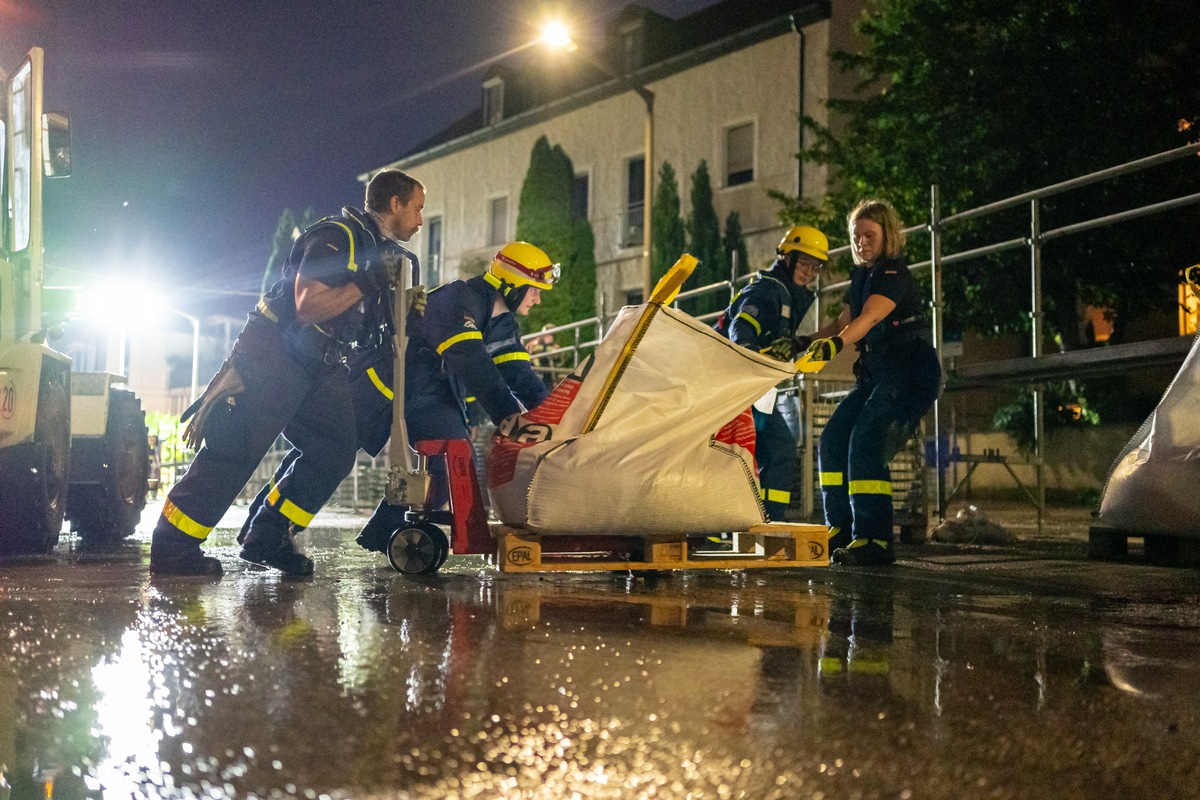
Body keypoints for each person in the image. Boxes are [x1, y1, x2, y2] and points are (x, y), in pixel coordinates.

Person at [149, 169, 426, 577]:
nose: (420, 220)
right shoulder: (338, 236)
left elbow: (368, 328)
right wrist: (368, 282)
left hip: (324, 362)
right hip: (278, 351)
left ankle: (267, 535)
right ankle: (172, 547)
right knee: (237, 446)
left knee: (334, 449)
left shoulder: (377, 253)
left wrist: (407, 316)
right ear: (395, 204)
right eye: (417, 209)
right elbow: (307, 306)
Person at [352, 240, 558, 553]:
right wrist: (509, 416)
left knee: (455, 457)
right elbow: (472, 362)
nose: (538, 299)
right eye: (534, 290)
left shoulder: (503, 322)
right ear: (514, 285)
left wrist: (557, 418)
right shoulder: (460, 298)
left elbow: (520, 376)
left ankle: (385, 534)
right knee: (332, 456)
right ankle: (270, 528)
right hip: (383, 388)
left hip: (429, 393)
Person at [801, 199, 941, 566]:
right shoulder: (863, 277)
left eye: (870, 235)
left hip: (909, 373)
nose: (861, 242)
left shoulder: (893, 275)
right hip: (878, 376)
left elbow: (865, 320)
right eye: (856, 236)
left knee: (866, 443)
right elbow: (840, 323)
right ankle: (842, 532)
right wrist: (801, 342)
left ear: (887, 236)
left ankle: (875, 540)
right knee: (832, 441)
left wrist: (834, 345)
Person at [716, 224, 828, 522]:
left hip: (753, 389)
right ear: (787, 258)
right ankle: (724, 526)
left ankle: (767, 520)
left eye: (815, 266)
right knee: (747, 455)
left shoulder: (786, 294)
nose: (809, 271)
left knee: (778, 449)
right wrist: (752, 353)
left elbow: (772, 337)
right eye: (804, 262)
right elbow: (742, 327)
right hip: (737, 387)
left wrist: (798, 343)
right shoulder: (768, 290)